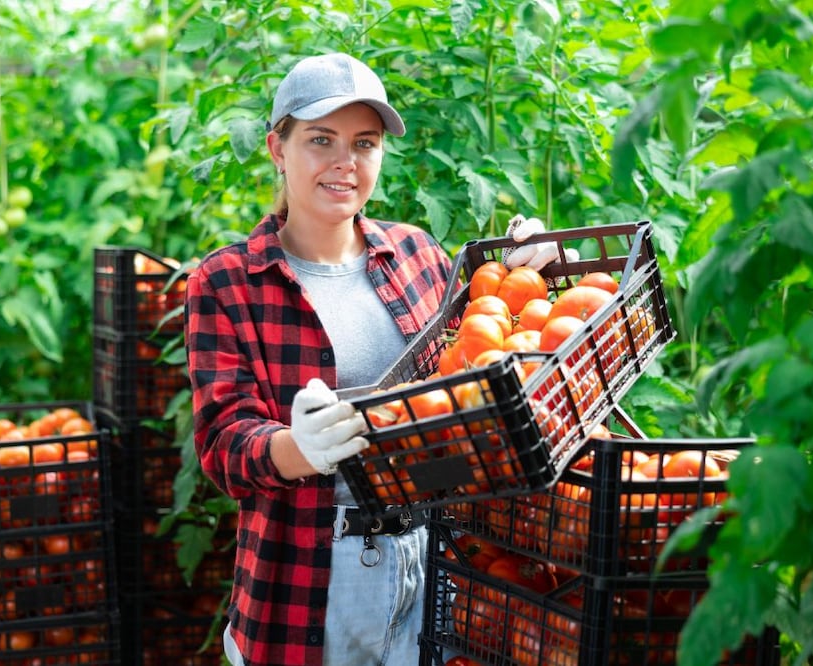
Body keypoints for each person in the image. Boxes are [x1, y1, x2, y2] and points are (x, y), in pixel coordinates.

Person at [185, 52, 564, 666]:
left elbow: (488, 357)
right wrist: (296, 446)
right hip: (312, 574)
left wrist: (527, 269)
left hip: (434, 556)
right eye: (320, 140)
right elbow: (223, 444)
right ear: (277, 149)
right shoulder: (229, 281)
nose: (345, 162)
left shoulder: (417, 253)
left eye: (364, 142)